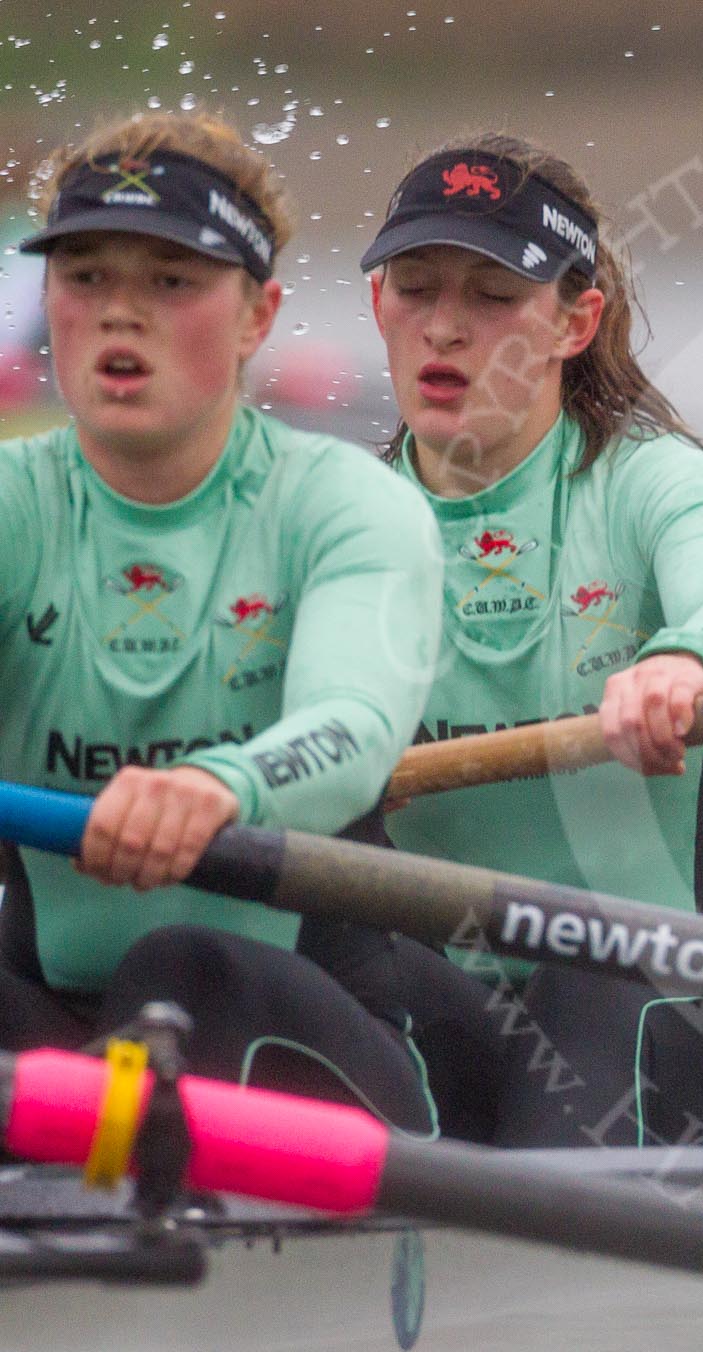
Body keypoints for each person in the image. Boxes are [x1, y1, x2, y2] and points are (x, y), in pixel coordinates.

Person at [0, 110, 443, 1127]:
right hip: (51, 1030)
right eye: (87, 277)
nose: (121, 313)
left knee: (183, 964)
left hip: (297, 1041)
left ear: (256, 316)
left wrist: (219, 783)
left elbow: (354, 724)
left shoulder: (343, 506)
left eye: (169, 281)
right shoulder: (14, 503)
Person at [361, 134, 703, 1147]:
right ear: (377, 303)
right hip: (460, 1003)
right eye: (417, 288)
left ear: (575, 319)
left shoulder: (658, 485)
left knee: (580, 981)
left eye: (491, 296)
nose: (444, 329)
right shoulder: (339, 526)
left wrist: (684, 661)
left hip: (683, 1002)